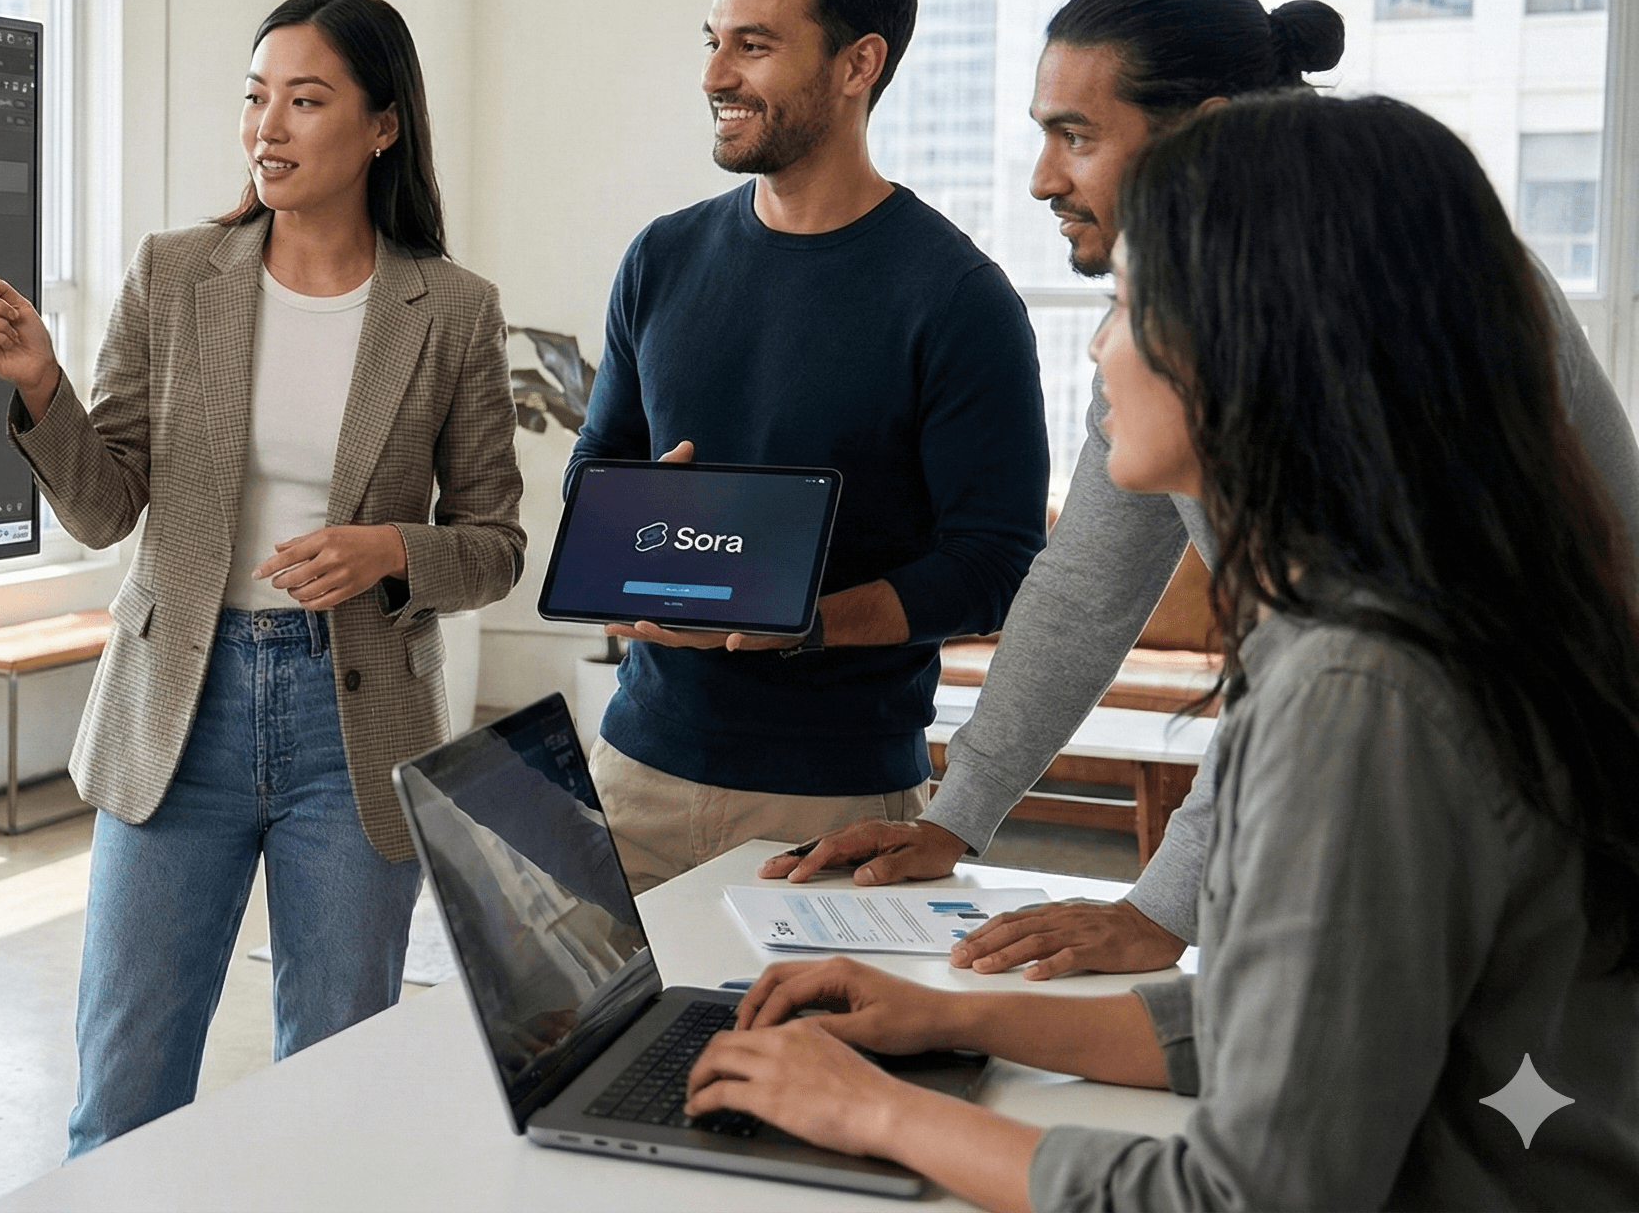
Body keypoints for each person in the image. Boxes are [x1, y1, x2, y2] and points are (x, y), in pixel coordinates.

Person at [685, 91, 1639, 1209]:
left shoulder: (1359, 691)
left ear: (1254, 346)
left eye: (1127, 306)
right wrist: (955, 1017)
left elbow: (1248, 1195)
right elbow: (1287, 1026)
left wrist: (874, 1113)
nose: (1099, 349)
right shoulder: (1392, 629)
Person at [765, 0, 1639, 981]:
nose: (1042, 179)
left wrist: (1160, 906)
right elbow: (1085, 586)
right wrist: (953, 818)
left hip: (1562, 799)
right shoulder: (1185, 314)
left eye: (1076, 136)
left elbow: (1321, 662)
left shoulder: (1371, 291)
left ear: (1202, 133)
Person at [0, 0, 524, 1155]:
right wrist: (41, 387)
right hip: (178, 706)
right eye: (255, 96)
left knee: (331, 1091)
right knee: (122, 1095)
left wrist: (389, 551)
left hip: (354, 726)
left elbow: (494, 544)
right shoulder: (173, 275)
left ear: (381, 126)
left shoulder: (451, 311)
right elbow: (105, 509)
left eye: (304, 100)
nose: (267, 126)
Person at [569, 0, 1047, 894]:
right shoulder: (661, 257)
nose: (714, 74)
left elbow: (995, 564)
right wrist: (631, 530)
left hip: (832, 804)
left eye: (753, 46)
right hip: (633, 770)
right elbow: (594, 469)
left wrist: (806, 621)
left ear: (856, 63)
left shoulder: (957, 297)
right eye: (712, 41)